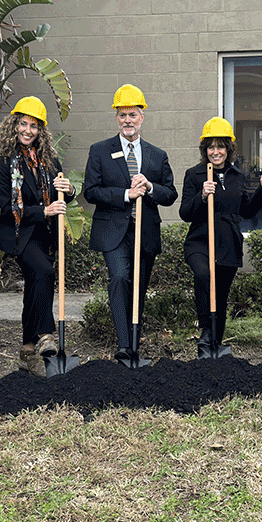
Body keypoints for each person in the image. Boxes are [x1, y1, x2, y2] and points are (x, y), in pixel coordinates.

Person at [83, 84, 177, 360]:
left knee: (139, 286)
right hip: (114, 231)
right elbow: (91, 191)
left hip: (145, 231)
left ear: (142, 117)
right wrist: (126, 194)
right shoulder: (100, 151)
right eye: (122, 115)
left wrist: (149, 187)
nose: (127, 120)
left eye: (132, 115)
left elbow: (170, 194)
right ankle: (124, 346)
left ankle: (134, 344)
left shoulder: (156, 155)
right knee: (120, 278)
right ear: (117, 118)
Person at [0, 96, 74, 372]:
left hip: (43, 235)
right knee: (44, 272)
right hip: (18, 235)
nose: (28, 130)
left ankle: (27, 351)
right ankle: (45, 334)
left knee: (34, 286)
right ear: (14, 125)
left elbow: (61, 195)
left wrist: (69, 190)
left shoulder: (49, 160)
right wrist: (44, 210)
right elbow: (7, 206)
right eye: (23, 124)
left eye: (34, 126)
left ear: (41, 130)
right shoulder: (3, 163)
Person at [178, 117, 262, 355]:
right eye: (211, 146)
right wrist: (201, 196)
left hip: (228, 243)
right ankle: (206, 332)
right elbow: (185, 212)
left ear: (229, 149)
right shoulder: (194, 175)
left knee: (222, 294)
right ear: (205, 150)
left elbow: (246, 210)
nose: (215, 152)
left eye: (220, 146)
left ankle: (215, 344)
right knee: (204, 276)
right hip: (200, 242)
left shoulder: (237, 176)